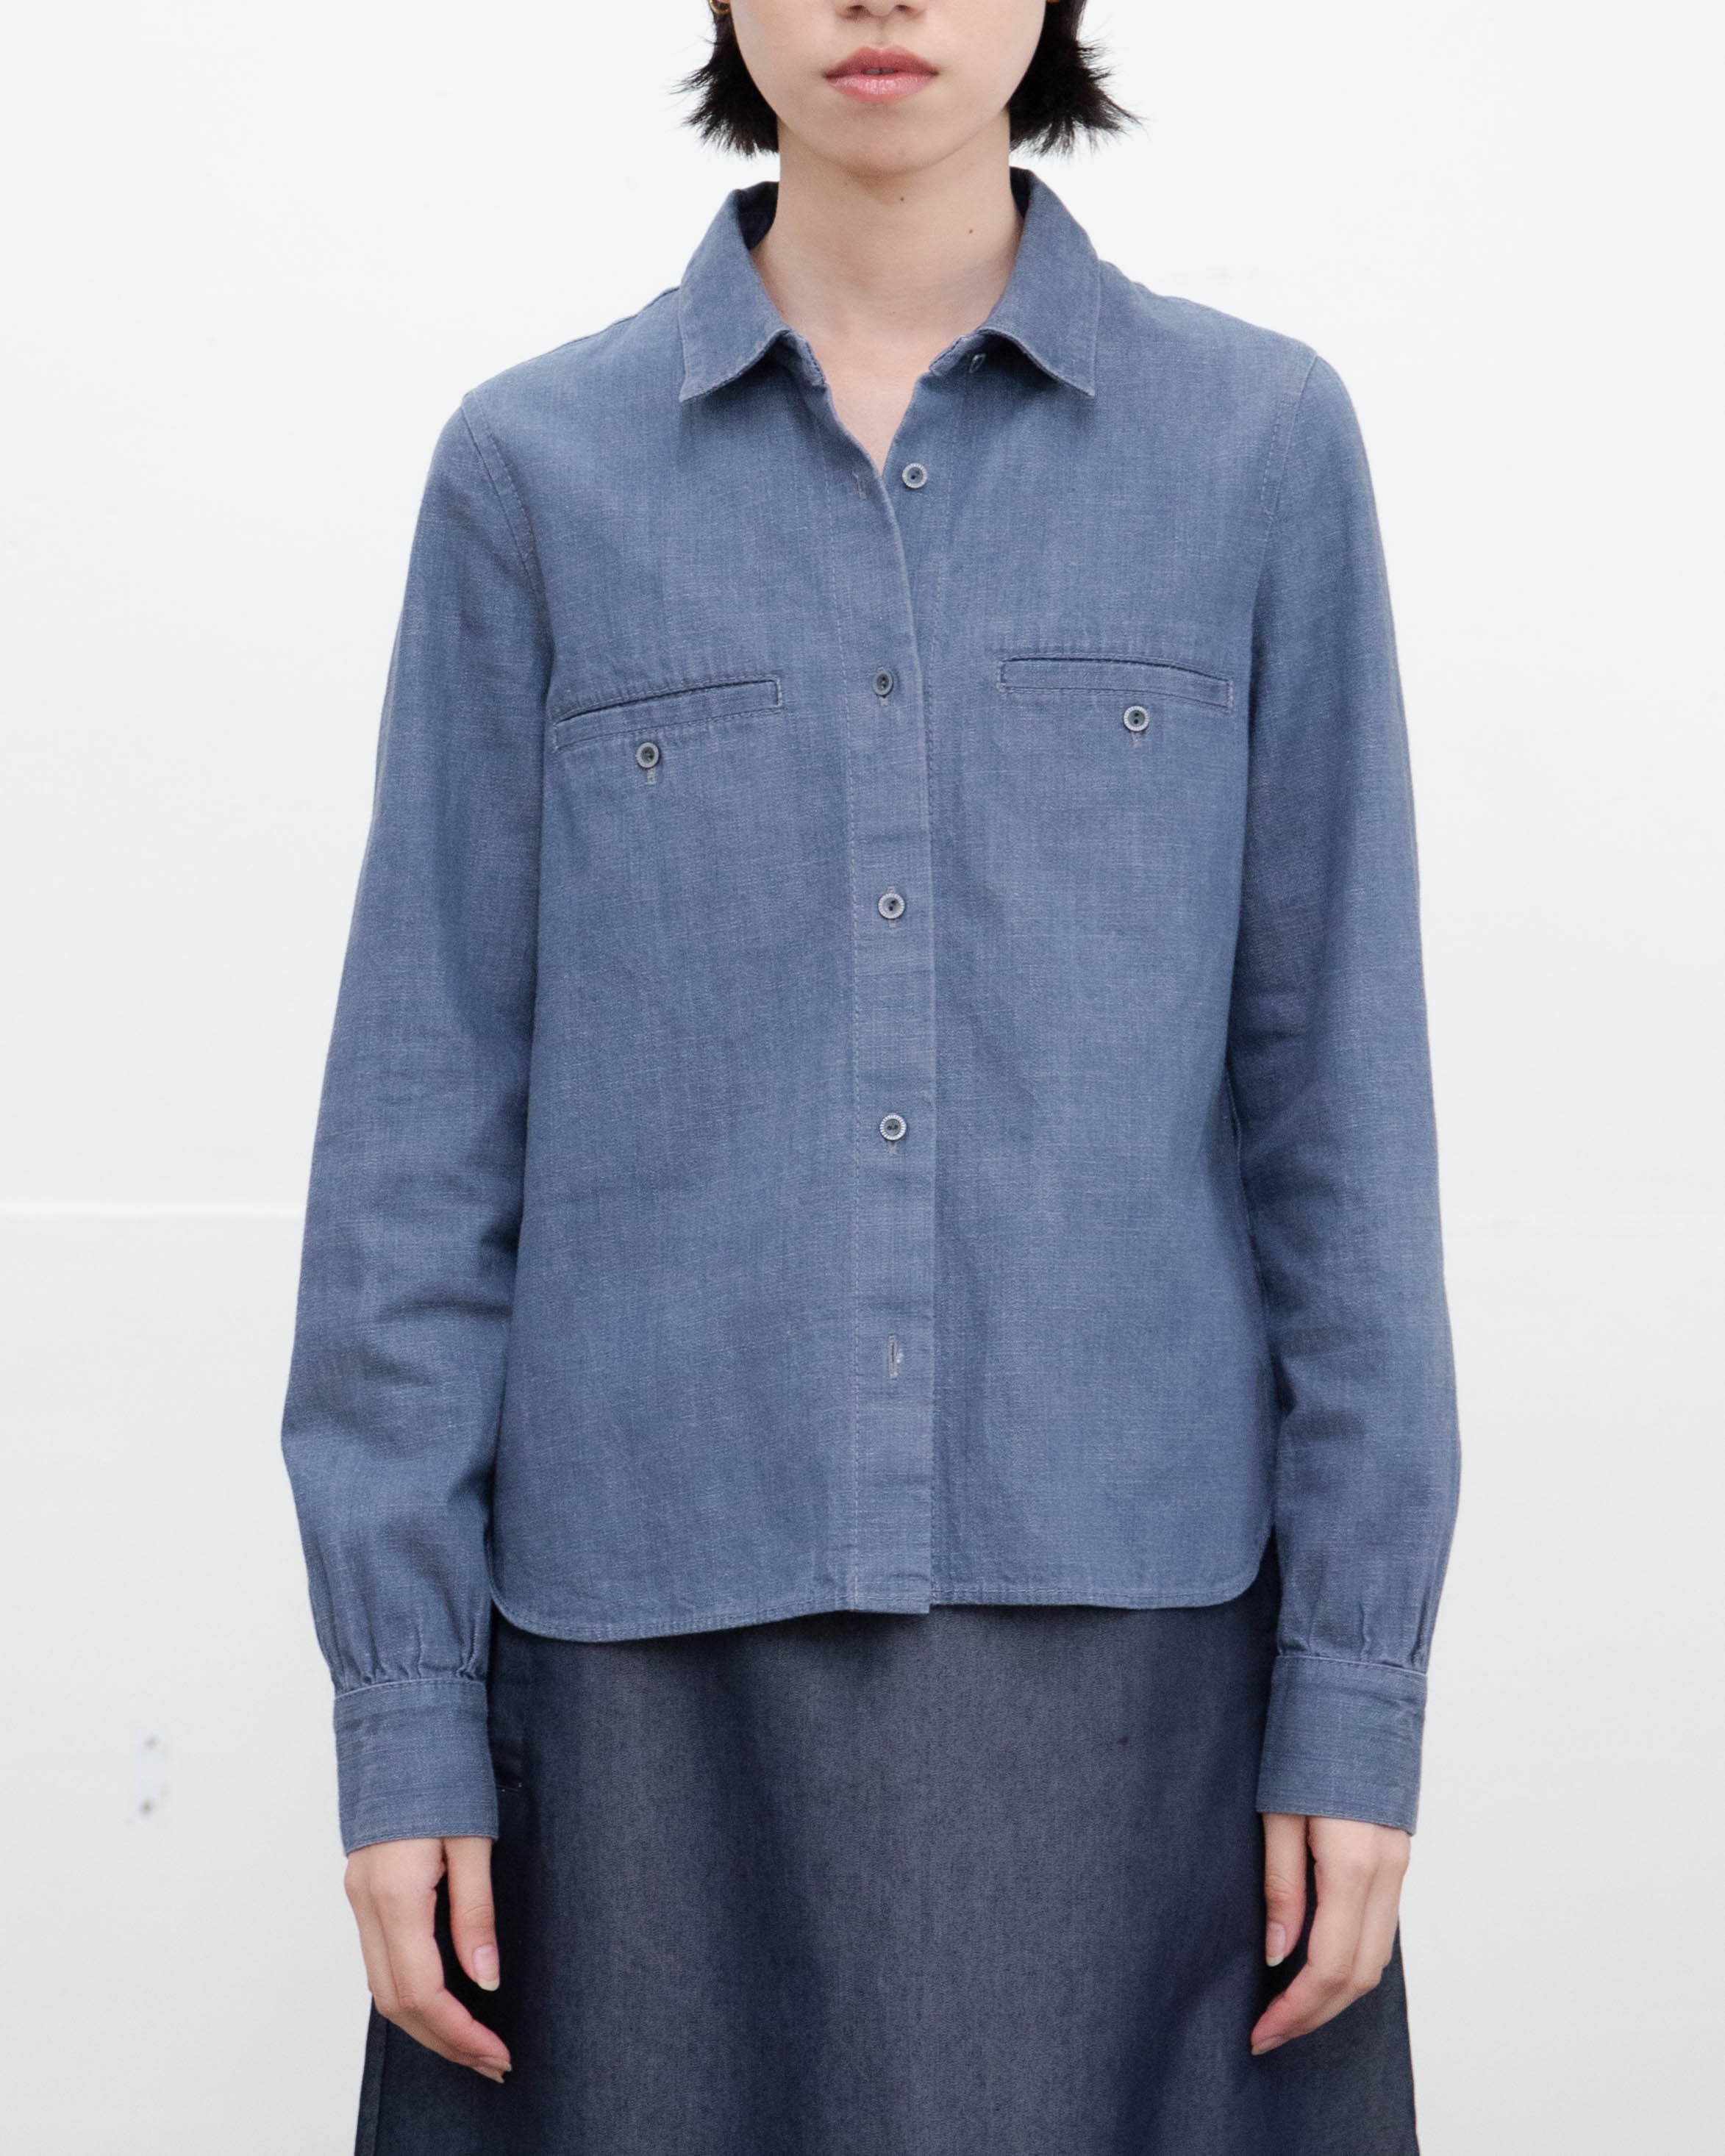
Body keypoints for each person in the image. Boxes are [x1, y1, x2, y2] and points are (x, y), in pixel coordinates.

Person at [281, 4, 1462, 2150]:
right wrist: (405, 1714)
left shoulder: (1256, 448)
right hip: (643, 1685)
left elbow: (1342, 1124)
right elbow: (417, 1143)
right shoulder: (534, 473)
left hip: (1141, 1676)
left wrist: (1358, 1696)